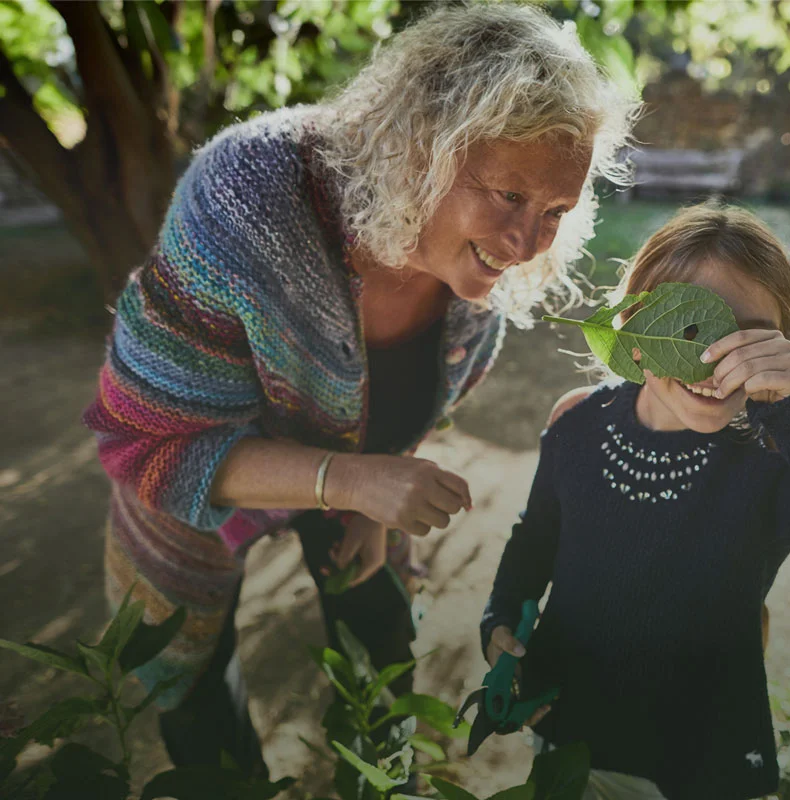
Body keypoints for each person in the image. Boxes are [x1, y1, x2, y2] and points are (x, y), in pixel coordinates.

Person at [81, 3, 637, 777]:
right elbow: (149, 437)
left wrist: (371, 500)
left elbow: (405, 413)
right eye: (508, 195)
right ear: (422, 150)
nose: (523, 244)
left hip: (361, 494)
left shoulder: (479, 287)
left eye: (555, 212)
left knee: (384, 679)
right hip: (189, 501)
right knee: (197, 704)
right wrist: (348, 478)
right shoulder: (249, 194)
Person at [480, 204, 790, 800]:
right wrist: (500, 622)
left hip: (704, 772)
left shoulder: (779, 464)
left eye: (750, 337)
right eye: (689, 326)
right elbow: (535, 541)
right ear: (635, 331)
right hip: (570, 747)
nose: (717, 362)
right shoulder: (575, 424)